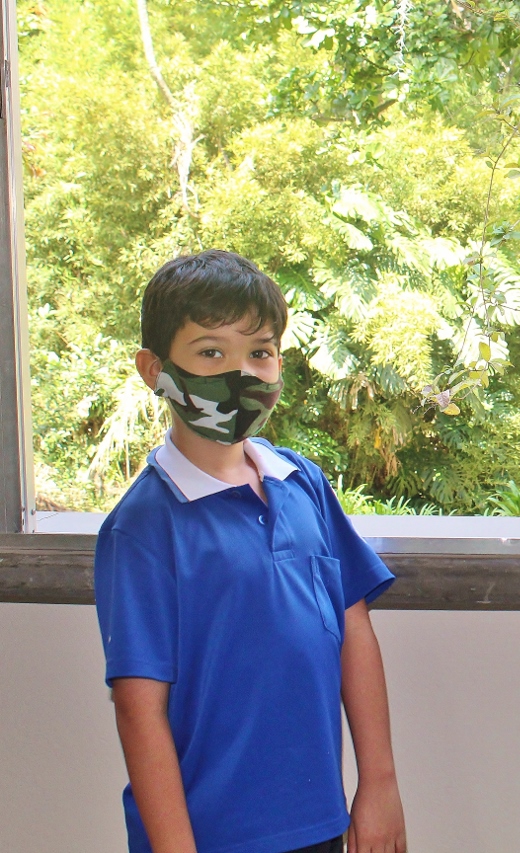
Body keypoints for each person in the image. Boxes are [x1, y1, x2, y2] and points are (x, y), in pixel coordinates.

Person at [94, 250, 408, 853]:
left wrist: (379, 784)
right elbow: (138, 709)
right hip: (207, 835)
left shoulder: (303, 483)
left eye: (260, 352)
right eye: (211, 353)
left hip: (319, 823)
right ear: (154, 369)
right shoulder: (143, 528)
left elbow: (354, 632)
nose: (242, 373)